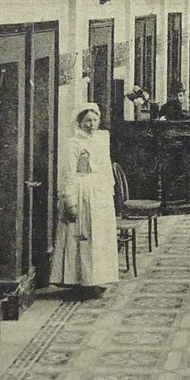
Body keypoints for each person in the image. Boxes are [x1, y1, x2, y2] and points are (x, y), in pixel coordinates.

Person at [50, 104, 120, 290]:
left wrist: (109, 192)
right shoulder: (73, 143)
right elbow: (67, 173)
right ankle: (80, 280)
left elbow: (105, 167)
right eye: (87, 120)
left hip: (100, 192)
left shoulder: (101, 139)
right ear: (80, 122)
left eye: (95, 120)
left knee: (101, 236)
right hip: (82, 191)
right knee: (82, 235)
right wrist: (69, 201)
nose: (91, 124)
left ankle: (98, 278)